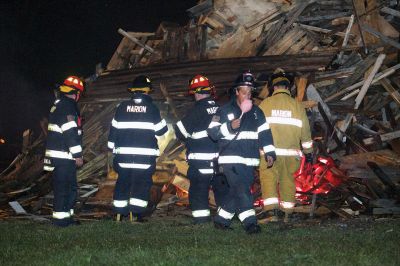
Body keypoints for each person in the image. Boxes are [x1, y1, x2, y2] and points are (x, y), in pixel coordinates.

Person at [207, 71, 276, 234]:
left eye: (250, 91)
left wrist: (270, 153)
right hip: (230, 160)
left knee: (236, 191)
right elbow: (212, 132)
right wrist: (229, 126)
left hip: (249, 161)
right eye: (244, 91)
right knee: (242, 191)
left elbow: (265, 133)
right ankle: (250, 223)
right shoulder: (223, 111)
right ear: (236, 91)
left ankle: (221, 220)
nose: (248, 95)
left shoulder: (256, 113)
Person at [108, 75, 168, 222]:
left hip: (123, 158)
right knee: (141, 185)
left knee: (123, 182)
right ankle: (136, 215)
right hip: (144, 159)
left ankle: (119, 214)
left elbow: (113, 132)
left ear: (133, 91)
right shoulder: (152, 108)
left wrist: (112, 149)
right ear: (147, 91)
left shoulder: (121, 107)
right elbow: (161, 131)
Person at [258, 68, 313, 223]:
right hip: (291, 155)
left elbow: (257, 129)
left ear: (273, 87)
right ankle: (287, 214)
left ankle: (272, 214)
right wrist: (309, 152)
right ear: (288, 87)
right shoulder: (297, 106)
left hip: (269, 154)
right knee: (288, 180)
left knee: (269, 180)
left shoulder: (265, 104)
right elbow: (306, 132)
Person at [174, 75, 220, 224]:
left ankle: (202, 220)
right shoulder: (221, 109)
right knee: (220, 190)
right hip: (220, 161)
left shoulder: (197, 110)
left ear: (197, 93)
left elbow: (180, 131)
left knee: (198, 190)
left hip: (200, 161)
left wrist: (189, 137)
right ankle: (223, 218)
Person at [44, 76, 84, 227]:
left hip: (60, 157)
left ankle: (67, 219)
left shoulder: (60, 104)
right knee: (64, 189)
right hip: (64, 157)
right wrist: (78, 156)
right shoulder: (68, 106)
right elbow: (70, 133)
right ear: (77, 93)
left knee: (68, 188)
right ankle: (61, 222)